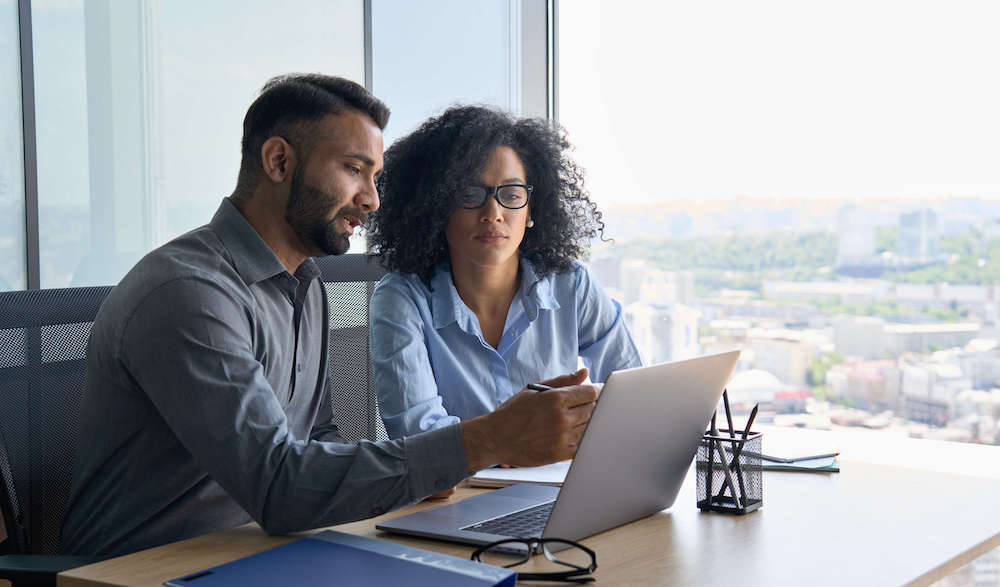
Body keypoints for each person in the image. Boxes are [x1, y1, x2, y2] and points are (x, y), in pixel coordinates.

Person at [60, 75, 599, 557]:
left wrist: (422, 468)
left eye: (376, 176)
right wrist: (486, 440)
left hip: (265, 552)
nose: (372, 200)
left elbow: (317, 442)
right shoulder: (190, 293)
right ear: (279, 162)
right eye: (353, 170)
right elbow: (279, 487)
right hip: (146, 569)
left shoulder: (307, 286)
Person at [367, 106, 642, 443]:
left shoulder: (571, 284)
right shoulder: (402, 299)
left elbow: (633, 394)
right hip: (456, 492)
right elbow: (418, 437)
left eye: (511, 195)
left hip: (560, 484)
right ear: (438, 207)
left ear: (531, 211)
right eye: (470, 194)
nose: (493, 213)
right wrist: (514, 442)